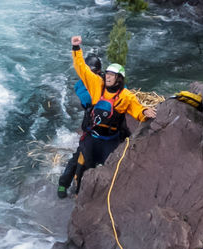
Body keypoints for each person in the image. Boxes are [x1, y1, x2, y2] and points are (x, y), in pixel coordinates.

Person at [58, 35, 156, 199]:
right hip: (92, 134)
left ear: (119, 78)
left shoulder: (125, 95)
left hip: (110, 139)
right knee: (81, 162)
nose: (108, 77)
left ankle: (104, 194)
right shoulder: (96, 85)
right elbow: (81, 68)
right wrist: (76, 49)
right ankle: (70, 187)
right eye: (107, 74)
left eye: (112, 75)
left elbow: (135, 107)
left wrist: (145, 112)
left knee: (110, 166)